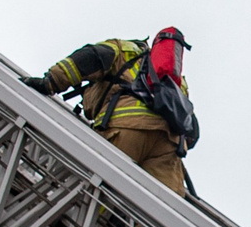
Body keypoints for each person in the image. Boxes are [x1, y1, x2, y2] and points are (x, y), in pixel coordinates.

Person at [23, 30, 198, 196]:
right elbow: (192, 132)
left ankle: (78, 222)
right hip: (170, 148)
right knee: (159, 213)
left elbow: (89, 58)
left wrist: (50, 82)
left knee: (96, 191)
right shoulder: (178, 83)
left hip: (126, 129)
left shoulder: (125, 50)